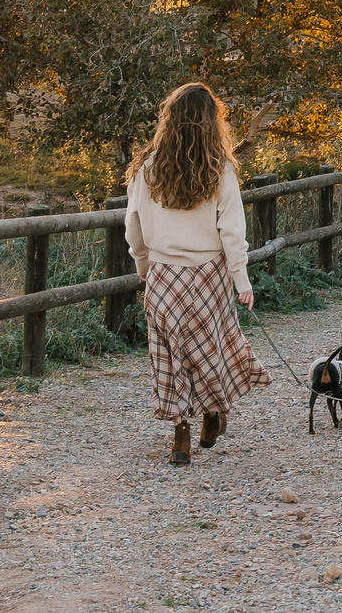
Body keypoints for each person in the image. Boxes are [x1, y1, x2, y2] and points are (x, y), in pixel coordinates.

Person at [125, 81, 270, 465]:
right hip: (209, 276)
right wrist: (242, 280)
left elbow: (133, 225)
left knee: (168, 356)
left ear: (169, 119)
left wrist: (142, 264)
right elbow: (232, 231)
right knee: (209, 350)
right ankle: (210, 415)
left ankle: (180, 437)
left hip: (164, 276)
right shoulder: (220, 170)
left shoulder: (147, 168)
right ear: (211, 122)